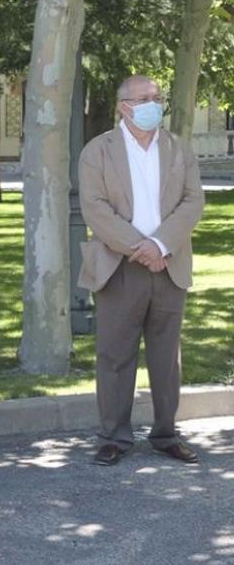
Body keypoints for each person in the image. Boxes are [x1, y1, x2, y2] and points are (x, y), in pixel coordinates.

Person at [78, 74, 204, 466]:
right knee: (115, 354)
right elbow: (96, 208)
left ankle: (166, 435)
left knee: (167, 357)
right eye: (144, 98)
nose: (154, 104)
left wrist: (161, 244)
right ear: (123, 107)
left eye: (157, 96)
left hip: (169, 264)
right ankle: (114, 436)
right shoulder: (98, 151)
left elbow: (192, 200)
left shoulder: (178, 148)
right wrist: (140, 247)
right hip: (120, 266)